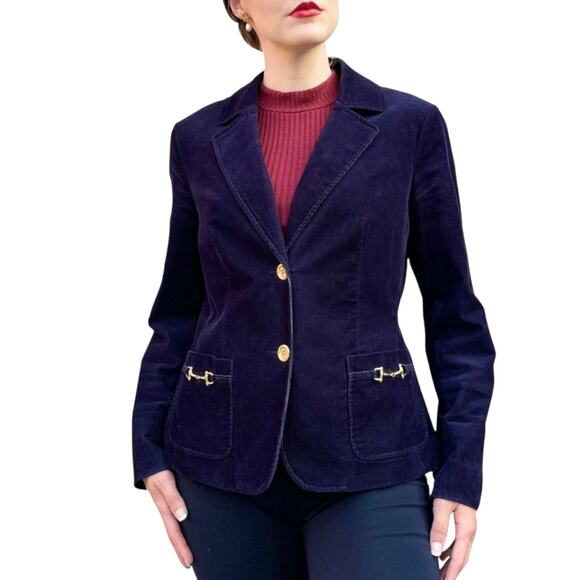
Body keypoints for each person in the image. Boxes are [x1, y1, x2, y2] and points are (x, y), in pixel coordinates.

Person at [131, 2, 496, 579]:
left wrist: (462, 469)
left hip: (372, 452)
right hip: (222, 463)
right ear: (238, 5)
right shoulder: (198, 138)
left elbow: (454, 313)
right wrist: (148, 446)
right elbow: (180, 310)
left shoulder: (409, 126)